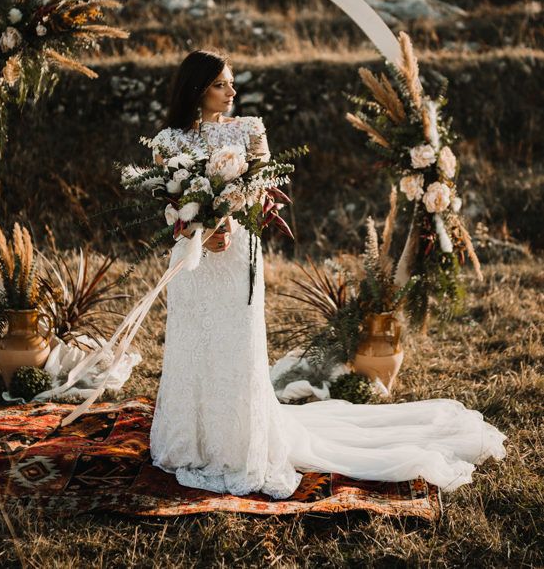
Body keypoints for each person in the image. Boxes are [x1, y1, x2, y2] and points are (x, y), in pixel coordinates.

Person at [147, 48, 506, 500]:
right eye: (221, 84)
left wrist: (228, 224)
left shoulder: (249, 130)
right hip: (195, 262)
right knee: (192, 342)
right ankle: (189, 440)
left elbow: (264, 194)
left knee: (232, 345)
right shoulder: (167, 143)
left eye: (231, 82)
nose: (232, 91)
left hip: (238, 254)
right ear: (197, 89)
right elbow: (165, 208)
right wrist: (196, 230)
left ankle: (236, 442)